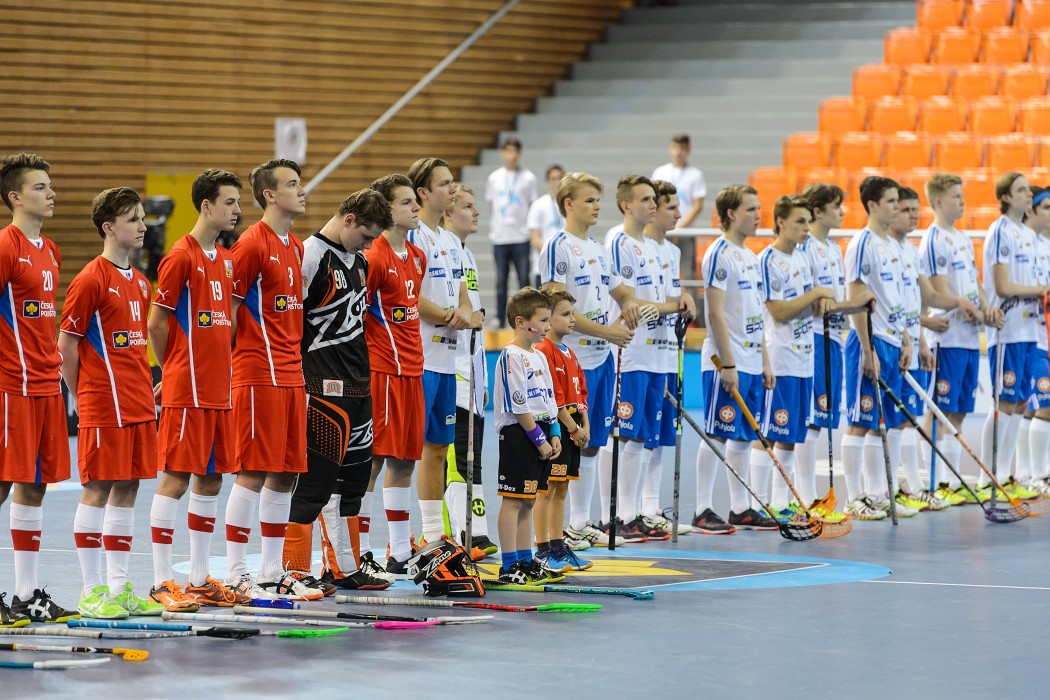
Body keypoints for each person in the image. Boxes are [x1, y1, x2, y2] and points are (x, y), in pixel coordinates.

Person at [281, 189, 394, 592]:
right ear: (348, 219)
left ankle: (343, 568)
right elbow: (290, 324)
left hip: (360, 386)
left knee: (354, 483)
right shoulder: (310, 256)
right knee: (316, 484)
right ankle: (293, 570)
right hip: (322, 387)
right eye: (366, 235)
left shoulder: (360, 261)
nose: (369, 245)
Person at [59, 187, 165, 619]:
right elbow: (66, 346)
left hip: (140, 404)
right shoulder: (89, 280)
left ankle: (120, 589)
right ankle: (91, 591)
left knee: (129, 489)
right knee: (97, 490)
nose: (142, 226)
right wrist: (81, 394)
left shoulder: (140, 282)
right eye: (133, 219)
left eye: (142, 218)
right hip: (104, 403)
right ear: (109, 227)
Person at [224, 159, 323, 600]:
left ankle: (269, 570)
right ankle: (234, 572)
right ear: (269, 194)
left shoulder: (296, 247)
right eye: (293, 184)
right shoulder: (250, 245)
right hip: (257, 372)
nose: (302, 191)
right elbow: (226, 312)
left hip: (291, 374)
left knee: (285, 474)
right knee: (252, 471)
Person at [147, 169, 246, 610]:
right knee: (175, 477)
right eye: (228, 202)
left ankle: (201, 577)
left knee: (210, 479)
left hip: (219, 388)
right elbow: (156, 322)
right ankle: (162, 580)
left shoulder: (225, 259)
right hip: (187, 388)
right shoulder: (180, 257)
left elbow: (224, 325)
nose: (237, 210)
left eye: (237, 203)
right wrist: (171, 370)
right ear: (206, 205)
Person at [538, 172, 641, 550]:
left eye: (598, 200)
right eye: (589, 200)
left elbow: (622, 290)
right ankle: (554, 529)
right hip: (569, 360)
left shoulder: (599, 247)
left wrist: (628, 305)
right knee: (565, 441)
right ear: (568, 204)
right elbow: (554, 308)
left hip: (600, 360)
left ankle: (580, 522)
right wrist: (609, 333)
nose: (598, 206)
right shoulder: (557, 246)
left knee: (594, 441)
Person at [0, 153, 78, 626]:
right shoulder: (4, 247)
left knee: (35, 486)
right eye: (40, 187)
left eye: (50, 186)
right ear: (15, 197)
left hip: (46, 385)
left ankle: (26, 596)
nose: (51, 194)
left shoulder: (49, 250)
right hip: (11, 386)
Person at [406, 158, 479, 556]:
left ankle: (433, 533)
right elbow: (410, 298)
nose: (453, 189)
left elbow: (462, 294)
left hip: (448, 361)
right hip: (418, 358)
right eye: (445, 183)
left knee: (437, 448)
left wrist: (465, 313)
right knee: (403, 453)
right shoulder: (412, 236)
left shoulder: (452, 241)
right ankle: (398, 540)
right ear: (423, 192)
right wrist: (450, 316)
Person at [694, 185, 777, 532]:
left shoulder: (750, 256)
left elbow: (757, 315)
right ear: (731, 214)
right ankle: (702, 510)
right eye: (751, 209)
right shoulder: (719, 254)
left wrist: (764, 361)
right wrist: (728, 364)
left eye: (759, 209)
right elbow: (714, 315)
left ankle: (740, 508)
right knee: (716, 432)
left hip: (751, 360)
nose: (759, 215)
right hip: (724, 361)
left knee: (742, 437)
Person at [603, 175, 678, 542]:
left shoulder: (649, 246)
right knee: (622, 436)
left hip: (656, 353)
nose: (653, 204)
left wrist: (665, 307)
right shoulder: (618, 242)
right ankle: (612, 515)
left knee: (642, 437)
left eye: (654, 199)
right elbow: (630, 307)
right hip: (629, 353)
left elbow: (654, 305)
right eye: (645, 199)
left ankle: (632, 513)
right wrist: (668, 307)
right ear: (626, 205)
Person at [919, 173, 1000, 505]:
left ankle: (951, 481)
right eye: (956, 197)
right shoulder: (934, 239)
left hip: (968, 337)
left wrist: (986, 306)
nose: (963, 202)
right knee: (939, 410)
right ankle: (935, 481)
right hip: (946, 338)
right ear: (938, 201)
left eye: (962, 196)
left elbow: (975, 283)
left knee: (960, 412)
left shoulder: (963, 238)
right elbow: (937, 292)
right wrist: (961, 304)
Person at [758, 196, 837, 521]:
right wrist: (817, 294)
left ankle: (782, 500)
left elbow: (811, 307)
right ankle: (762, 501)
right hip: (781, 356)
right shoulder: (768, 259)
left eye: (807, 221)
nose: (806, 228)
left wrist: (819, 300)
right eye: (799, 222)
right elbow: (778, 311)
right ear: (780, 222)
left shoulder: (803, 260)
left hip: (805, 356)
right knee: (774, 431)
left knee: (791, 434)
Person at [362, 174, 425, 574]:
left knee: (405, 460)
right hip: (382, 371)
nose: (415, 208)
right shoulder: (374, 257)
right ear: (386, 210)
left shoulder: (419, 257)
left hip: (413, 370)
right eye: (406, 203)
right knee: (373, 460)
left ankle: (399, 551)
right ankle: (362, 547)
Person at [842, 176, 911, 520]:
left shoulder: (893, 245)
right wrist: (867, 351)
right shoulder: (863, 244)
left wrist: (907, 339)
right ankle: (854, 497)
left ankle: (875, 492)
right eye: (890, 201)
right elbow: (856, 300)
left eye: (898, 200)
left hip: (892, 339)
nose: (897, 207)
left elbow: (895, 299)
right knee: (860, 419)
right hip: (868, 341)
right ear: (871, 205)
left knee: (882, 421)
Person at [979, 173, 1048, 500]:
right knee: (1005, 402)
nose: (1027, 194)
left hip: (1030, 328)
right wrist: (1042, 290)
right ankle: (988, 475)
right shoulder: (1000, 230)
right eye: (1021, 190)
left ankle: (1006, 474)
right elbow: (1003, 286)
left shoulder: (1028, 235)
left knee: (1020, 402)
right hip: (1007, 329)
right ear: (1006, 197)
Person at [440, 184, 497, 558]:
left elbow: (475, 322)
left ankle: (477, 532)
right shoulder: (441, 250)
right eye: (467, 206)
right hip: (448, 371)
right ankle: (456, 534)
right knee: (456, 459)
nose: (476, 212)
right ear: (446, 211)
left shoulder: (467, 254)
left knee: (473, 459)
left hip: (472, 375)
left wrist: (484, 379)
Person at [493, 287, 562, 584]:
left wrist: (555, 432)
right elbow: (518, 404)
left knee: (529, 500)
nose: (548, 326)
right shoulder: (511, 356)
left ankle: (525, 559)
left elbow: (549, 398)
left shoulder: (539, 356)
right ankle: (509, 565)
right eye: (543, 320)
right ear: (521, 322)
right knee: (513, 500)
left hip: (543, 432)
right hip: (520, 434)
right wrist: (539, 439)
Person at [641, 180, 697, 534]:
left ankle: (649, 507)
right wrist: (672, 304)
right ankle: (627, 512)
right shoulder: (633, 245)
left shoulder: (672, 250)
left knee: (662, 434)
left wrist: (685, 301)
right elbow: (637, 304)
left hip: (667, 351)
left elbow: (672, 297)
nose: (679, 213)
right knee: (636, 435)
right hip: (638, 354)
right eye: (672, 207)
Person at [889, 188, 949, 512]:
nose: (914, 214)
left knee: (909, 418)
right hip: (891, 344)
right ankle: (881, 490)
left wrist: (922, 338)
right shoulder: (881, 249)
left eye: (915, 209)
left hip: (913, 342)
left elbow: (914, 303)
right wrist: (906, 338)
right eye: (905, 209)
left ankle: (913, 486)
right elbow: (889, 306)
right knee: (886, 420)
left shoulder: (911, 250)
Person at [796, 183, 851, 518]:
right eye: (836, 205)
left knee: (825, 418)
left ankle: (811, 496)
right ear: (818, 212)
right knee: (811, 421)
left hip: (835, 337)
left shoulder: (833, 247)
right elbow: (808, 301)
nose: (842, 211)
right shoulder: (805, 248)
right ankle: (804, 496)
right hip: (812, 338)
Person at [535, 289, 593, 570]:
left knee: (562, 488)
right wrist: (572, 428)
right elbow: (554, 398)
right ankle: (542, 548)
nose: (572, 319)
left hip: (573, 427)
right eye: (565, 314)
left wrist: (585, 426)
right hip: (557, 427)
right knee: (546, 490)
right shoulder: (544, 350)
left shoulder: (569, 352)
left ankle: (558, 545)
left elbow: (580, 392)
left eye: (573, 313)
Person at [486, 138, 538, 327]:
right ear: (503, 153)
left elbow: (532, 205)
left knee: (523, 280)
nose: (512, 155)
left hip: (521, 236)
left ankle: (526, 317)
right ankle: (500, 318)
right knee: (501, 280)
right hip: (500, 237)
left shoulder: (529, 178)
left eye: (515, 151)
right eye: (508, 151)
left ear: (520, 153)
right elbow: (492, 204)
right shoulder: (494, 178)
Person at [1019, 185, 1050, 493]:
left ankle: (1029, 472)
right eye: (1047, 209)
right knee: (1041, 405)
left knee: (1033, 406)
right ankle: (1036, 474)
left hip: (1045, 335)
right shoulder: (1027, 246)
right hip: (1032, 337)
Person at [652, 133, 707, 281]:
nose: (679, 152)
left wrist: (680, 228)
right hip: (662, 230)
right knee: (659, 269)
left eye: (683, 148)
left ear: (688, 150)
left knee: (687, 271)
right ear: (670, 149)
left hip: (686, 231)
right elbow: (653, 201)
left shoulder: (696, 175)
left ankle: (691, 302)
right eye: (676, 148)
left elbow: (698, 206)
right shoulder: (660, 172)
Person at [528, 164, 565, 287]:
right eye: (553, 179)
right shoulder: (539, 205)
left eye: (560, 178)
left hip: (567, 265)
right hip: (544, 266)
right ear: (548, 182)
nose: (557, 182)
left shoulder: (570, 204)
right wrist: (552, 254)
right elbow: (535, 238)